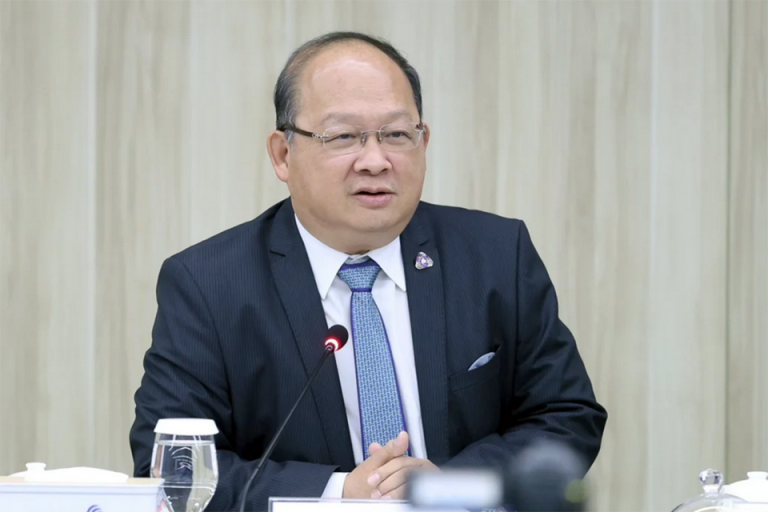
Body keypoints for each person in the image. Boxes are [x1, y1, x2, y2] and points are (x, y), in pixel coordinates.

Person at [129, 31, 607, 511]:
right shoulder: (208, 284)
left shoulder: (495, 255)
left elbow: (566, 417)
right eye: (342, 137)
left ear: (423, 142)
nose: (376, 161)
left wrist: (447, 486)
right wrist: (340, 493)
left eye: (396, 135)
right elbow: (172, 468)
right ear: (283, 155)